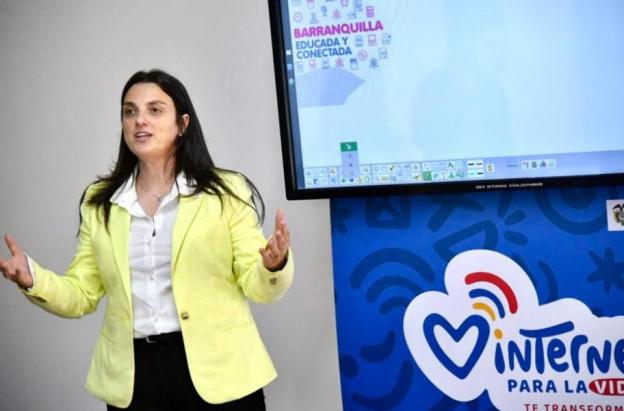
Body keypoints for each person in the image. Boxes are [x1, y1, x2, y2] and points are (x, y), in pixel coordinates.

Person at [0, 69, 293, 410]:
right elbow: (81, 293)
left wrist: (273, 265)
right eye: (130, 111)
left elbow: (258, 286)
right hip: (135, 379)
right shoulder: (101, 202)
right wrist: (32, 278)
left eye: (155, 110)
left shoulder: (225, 191)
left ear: (182, 124)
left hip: (221, 373)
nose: (140, 120)